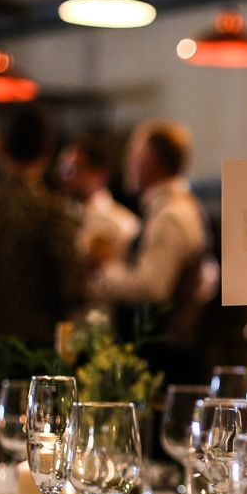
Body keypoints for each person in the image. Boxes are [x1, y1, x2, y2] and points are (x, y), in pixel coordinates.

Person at [89, 120, 212, 379]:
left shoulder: (171, 215)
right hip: (173, 351)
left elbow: (153, 288)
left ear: (152, 160)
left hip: (166, 357)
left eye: (134, 154)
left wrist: (105, 269)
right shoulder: (180, 207)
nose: (127, 164)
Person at [0, 109, 83, 349]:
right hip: (36, 343)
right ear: (48, 150)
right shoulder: (52, 209)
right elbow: (72, 286)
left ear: (1, 147)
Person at [58, 136, 139, 267]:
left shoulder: (124, 224)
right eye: (62, 170)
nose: (65, 178)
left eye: (71, 169)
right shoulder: (58, 215)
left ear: (98, 174)